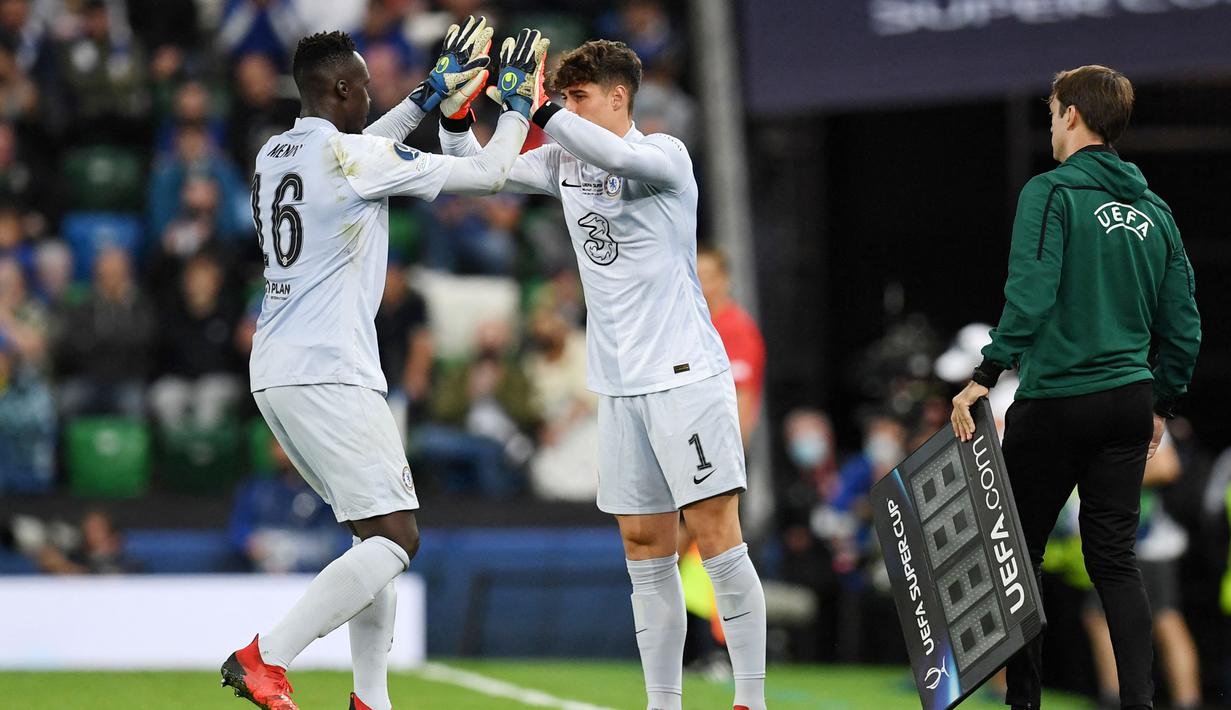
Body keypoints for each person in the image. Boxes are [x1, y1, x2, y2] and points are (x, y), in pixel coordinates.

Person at [219, 19, 548, 710]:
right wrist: (517, 107)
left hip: (277, 366)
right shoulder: (355, 159)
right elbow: (487, 175)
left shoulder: (274, 151)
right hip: (330, 366)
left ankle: (371, 698)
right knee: (399, 537)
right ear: (341, 88)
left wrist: (429, 94)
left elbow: (361, 149)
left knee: (372, 534)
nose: (373, 97)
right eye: (365, 87)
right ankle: (265, 655)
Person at [439, 38, 767, 710]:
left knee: (713, 532)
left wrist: (532, 108)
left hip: (683, 375)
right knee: (643, 546)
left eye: (579, 97)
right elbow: (474, 175)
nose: (568, 108)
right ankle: (663, 703)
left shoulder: (663, 156)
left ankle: (750, 699)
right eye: (562, 98)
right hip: (617, 386)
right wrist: (452, 117)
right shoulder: (564, 160)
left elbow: (613, 155)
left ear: (619, 97)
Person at [950, 65, 1201, 710]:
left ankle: (1024, 705)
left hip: (1057, 398)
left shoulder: (1052, 192)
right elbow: (1184, 325)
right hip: (1127, 401)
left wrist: (985, 374)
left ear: (1070, 115)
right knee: (1115, 562)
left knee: (1019, 558)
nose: (1051, 123)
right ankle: (1139, 705)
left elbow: (1030, 294)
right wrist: (1162, 403)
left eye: (1053, 110)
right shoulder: (1157, 211)